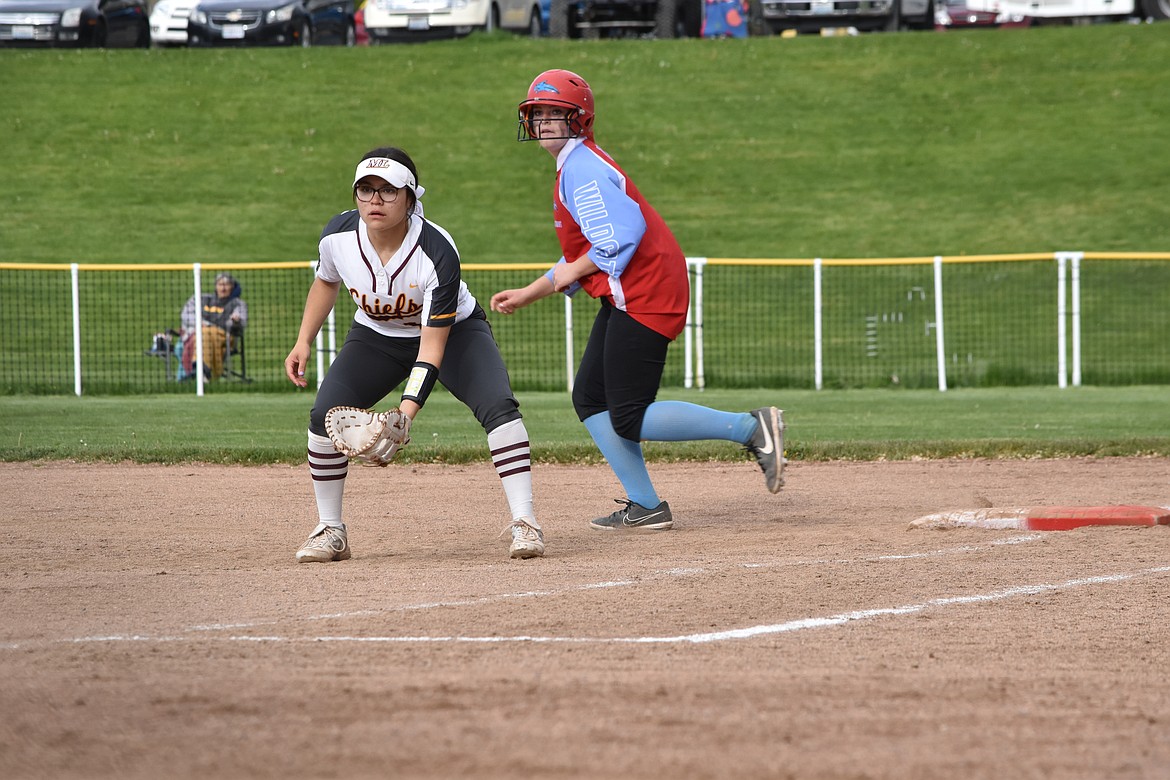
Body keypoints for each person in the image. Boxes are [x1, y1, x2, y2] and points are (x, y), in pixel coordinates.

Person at [490, 69, 785, 533]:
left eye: (555, 114)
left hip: (645, 291)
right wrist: (531, 292)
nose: (544, 122)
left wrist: (564, 275)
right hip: (638, 288)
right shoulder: (575, 165)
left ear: (580, 119)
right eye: (537, 114)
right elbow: (590, 252)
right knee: (590, 398)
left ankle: (751, 429)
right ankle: (645, 505)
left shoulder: (582, 168)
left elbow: (621, 238)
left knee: (627, 415)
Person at [284, 146, 544, 563]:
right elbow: (325, 281)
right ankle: (330, 529)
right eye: (365, 190)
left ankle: (525, 521)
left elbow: (432, 345)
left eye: (389, 191)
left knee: (498, 405)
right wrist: (303, 340)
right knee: (322, 415)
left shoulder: (436, 250)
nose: (375, 200)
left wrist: (404, 414)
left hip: (456, 333)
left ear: (411, 197)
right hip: (375, 337)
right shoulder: (337, 237)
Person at [179, 272, 247, 380]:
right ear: (216, 286)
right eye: (220, 284)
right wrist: (201, 324)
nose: (223, 288)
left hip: (225, 336)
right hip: (201, 333)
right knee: (205, 334)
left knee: (206, 333)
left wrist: (235, 321)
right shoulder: (203, 299)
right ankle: (204, 371)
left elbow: (241, 322)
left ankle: (200, 369)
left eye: (226, 285)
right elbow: (185, 315)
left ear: (232, 287)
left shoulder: (237, 303)